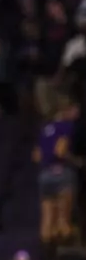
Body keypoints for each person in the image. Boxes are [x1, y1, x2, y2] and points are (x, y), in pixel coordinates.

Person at [38, 99, 78, 248]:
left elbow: (36, 155)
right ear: (64, 110)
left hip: (45, 176)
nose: (77, 113)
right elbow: (60, 151)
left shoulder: (45, 128)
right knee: (63, 221)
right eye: (74, 109)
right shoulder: (66, 126)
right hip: (62, 174)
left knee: (47, 223)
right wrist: (75, 161)